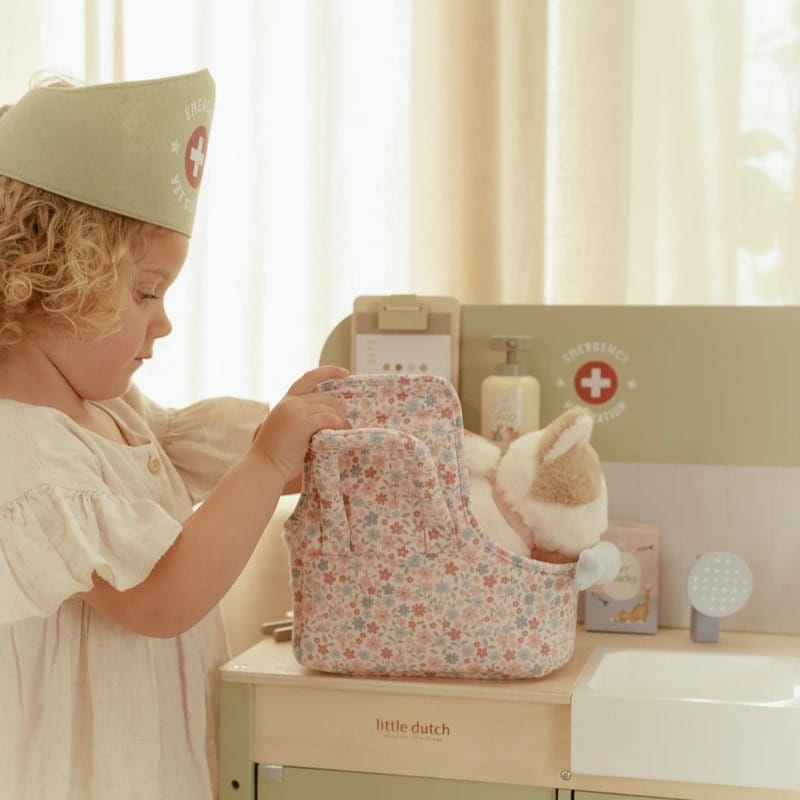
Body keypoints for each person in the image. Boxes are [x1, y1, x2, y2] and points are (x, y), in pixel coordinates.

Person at [0, 69, 348, 799]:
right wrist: (265, 461)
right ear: (54, 281)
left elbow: (204, 457)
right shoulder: (24, 456)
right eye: (146, 292)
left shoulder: (114, 412)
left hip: (154, 763)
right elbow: (161, 595)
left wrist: (300, 441)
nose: (162, 322)